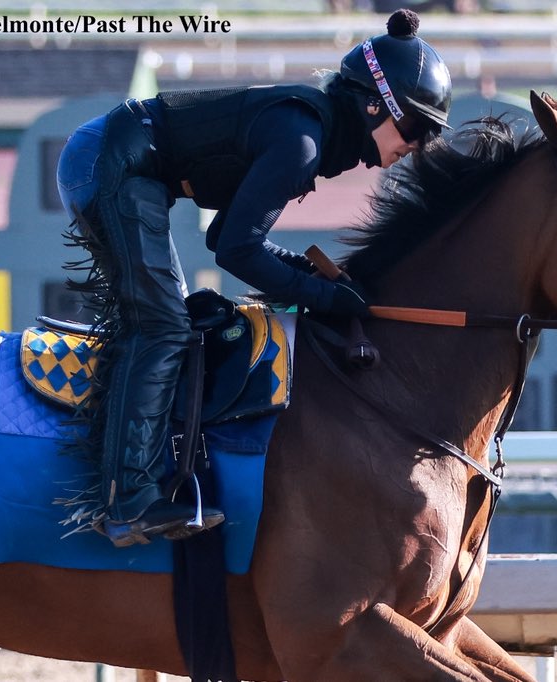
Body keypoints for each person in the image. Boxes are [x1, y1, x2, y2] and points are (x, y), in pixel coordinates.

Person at [55, 8, 452, 548]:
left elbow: (226, 235)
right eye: (416, 128)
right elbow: (237, 251)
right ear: (373, 104)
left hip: (119, 160)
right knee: (163, 327)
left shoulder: (309, 133)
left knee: (167, 322)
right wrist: (322, 296)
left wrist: (308, 275)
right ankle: (128, 503)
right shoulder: (302, 142)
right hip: (110, 161)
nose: (418, 144)